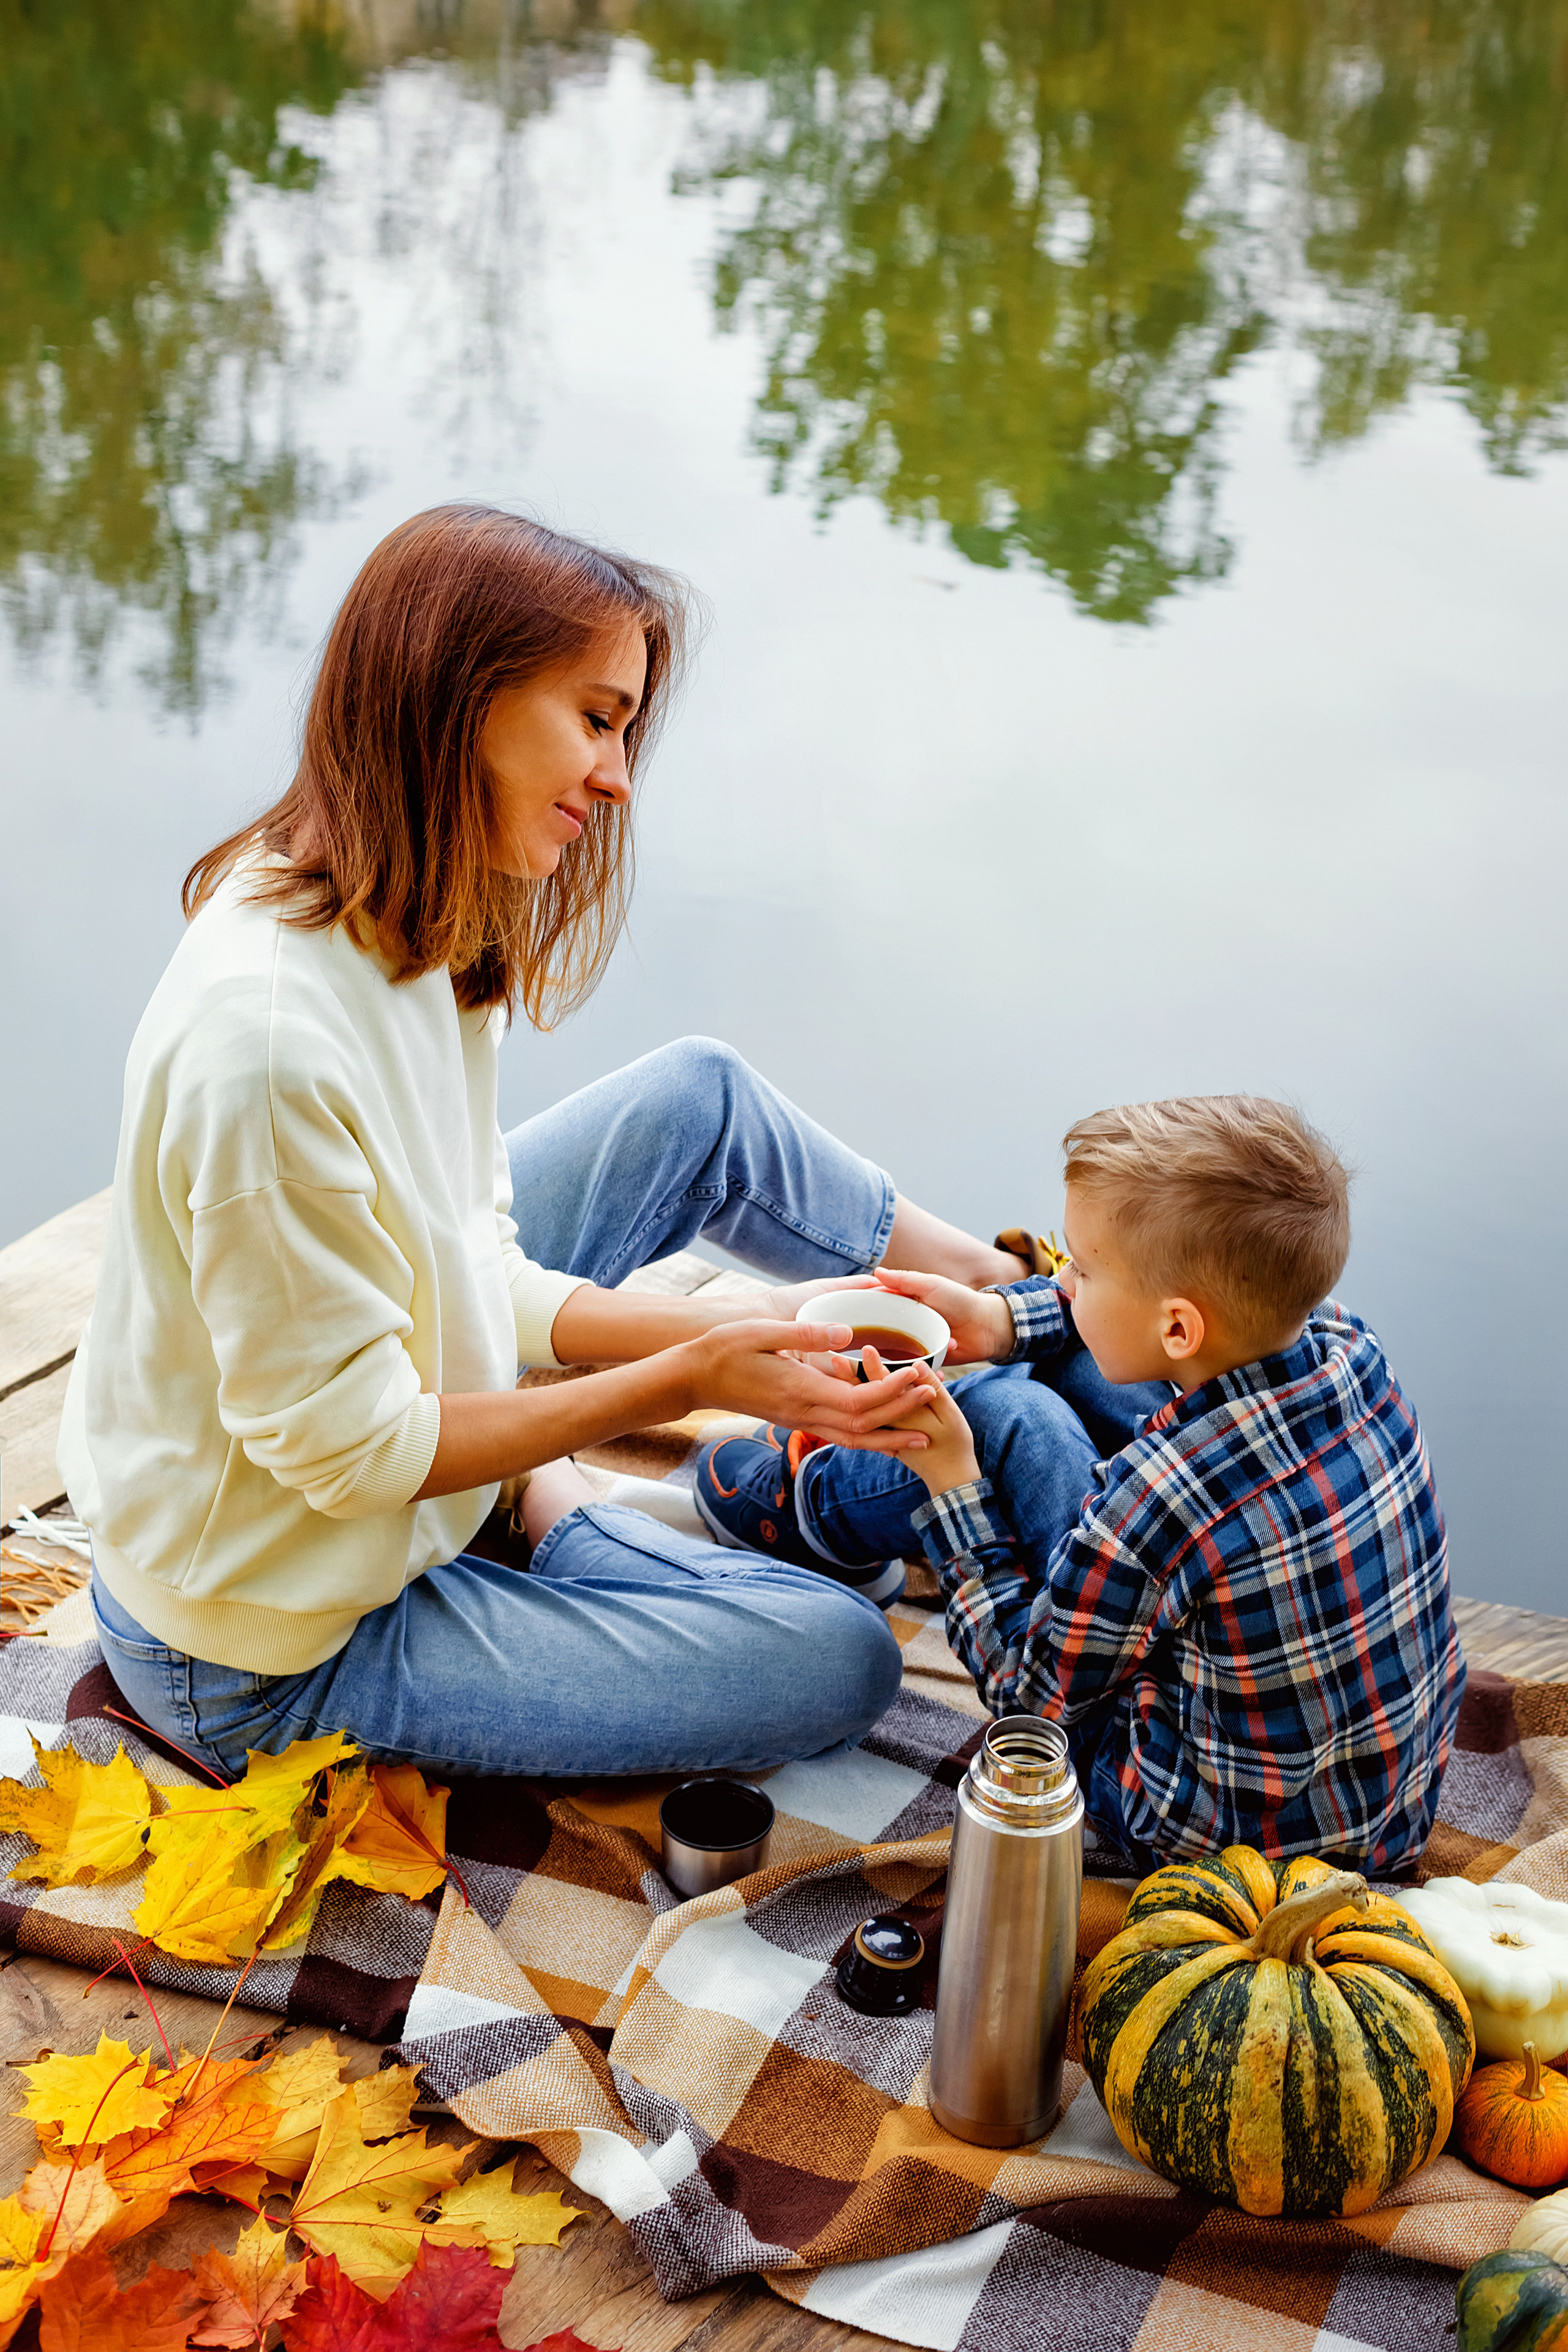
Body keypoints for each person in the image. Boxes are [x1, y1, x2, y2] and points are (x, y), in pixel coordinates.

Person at [61, 505, 1030, 1785]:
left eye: (625, 729)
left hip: (379, 1453)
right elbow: (359, 1456)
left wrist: (755, 1334)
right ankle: (548, 1505)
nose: (620, 776)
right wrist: (685, 1382)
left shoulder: (411, 917)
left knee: (697, 1097)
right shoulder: (272, 1049)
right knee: (837, 1660)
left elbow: (479, 1261)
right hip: (266, 1636)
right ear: (456, 698)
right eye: (595, 719)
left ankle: (1019, 1297)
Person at [695, 1095, 1466, 1875]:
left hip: (1191, 1836)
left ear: (1176, 1330)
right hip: (1388, 1814)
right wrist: (999, 1319)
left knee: (1005, 1414)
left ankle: (809, 1506)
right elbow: (1117, 1327)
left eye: (1084, 1270)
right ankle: (865, 1474)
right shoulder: (1349, 1345)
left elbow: (1026, 1701)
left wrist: (951, 1484)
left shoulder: (1163, 1496)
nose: (1067, 1281)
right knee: (1058, 1361)